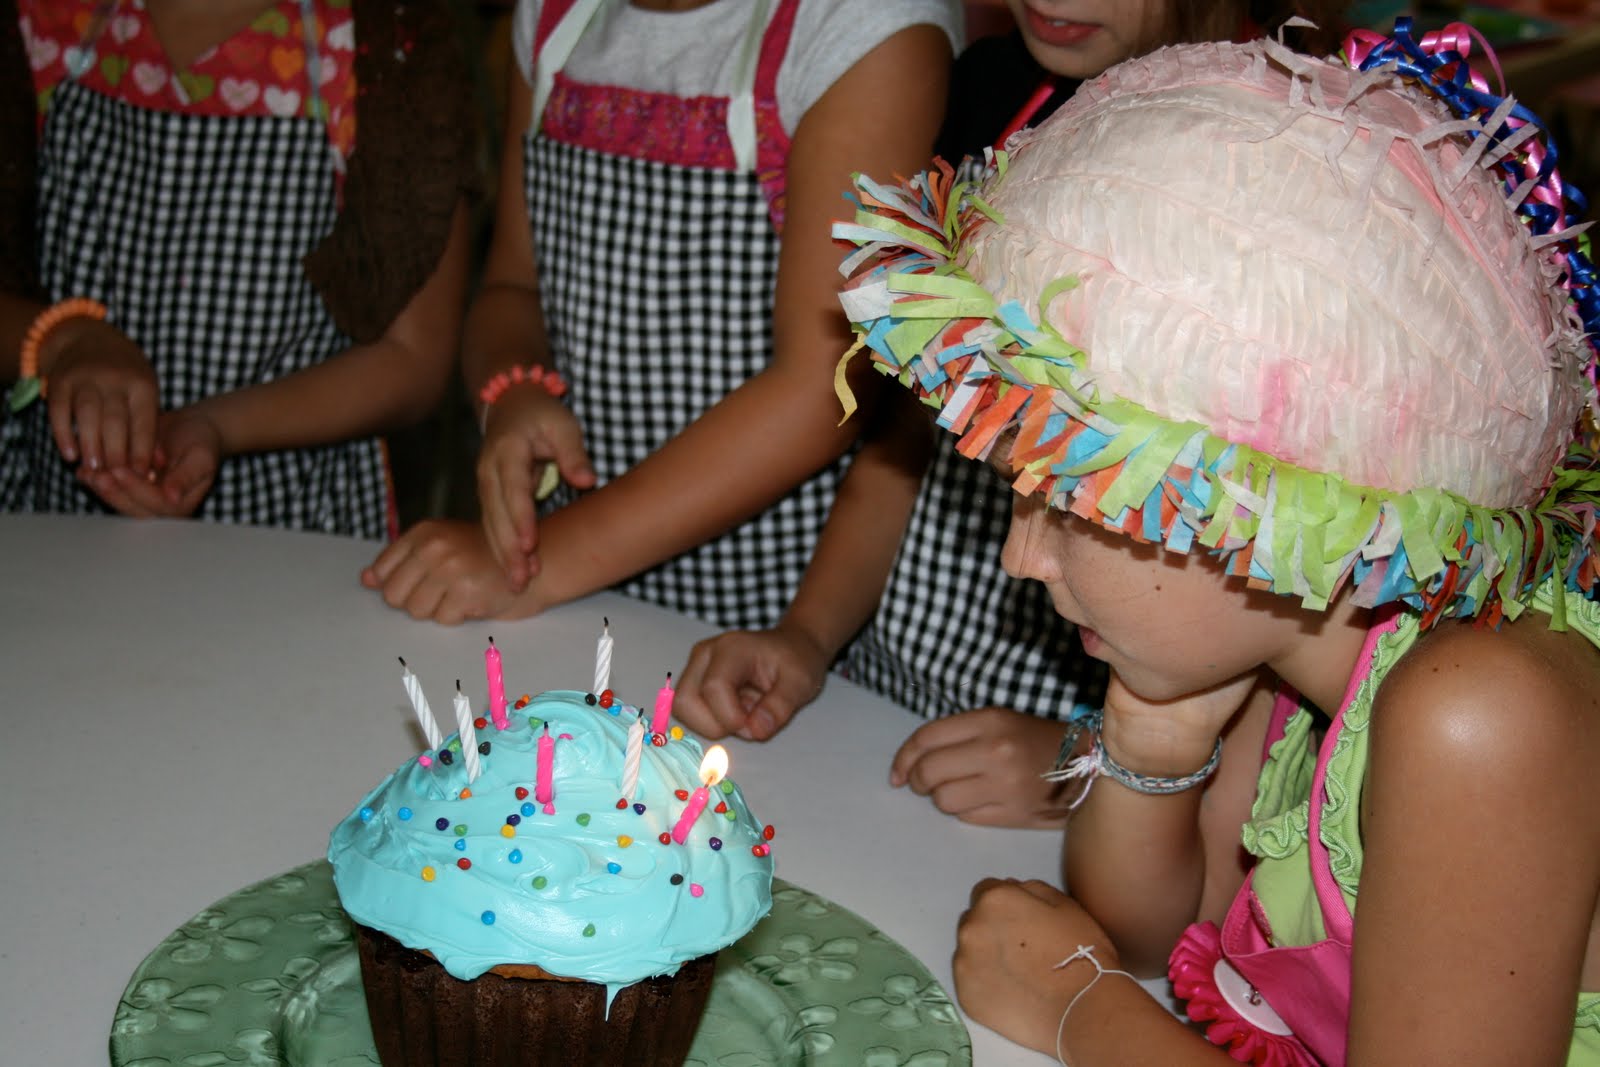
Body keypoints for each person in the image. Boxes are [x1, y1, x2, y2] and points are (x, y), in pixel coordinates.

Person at [833, 21, 1600, 1064]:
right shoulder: (1290, 632)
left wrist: (1080, 1010)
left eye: (1069, 500)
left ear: (1260, 501)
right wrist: (1154, 730)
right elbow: (1160, 924)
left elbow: (1118, 972)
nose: (1022, 557)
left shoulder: (1479, 713)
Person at [673, 0, 1347, 832]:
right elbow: (908, 434)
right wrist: (809, 635)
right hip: (888, 702)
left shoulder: (1290, 168)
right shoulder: (992, 92)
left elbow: (1271, 592)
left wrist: (1093, 756)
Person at [359, 0, 960, 626]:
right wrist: (513, 389)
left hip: (768, 606)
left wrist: (534, 570)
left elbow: (824, 389)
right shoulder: (552, 19)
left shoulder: (863, 26)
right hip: (566, 579)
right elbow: (513, 287)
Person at [0, 0, 476, 538]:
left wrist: (216, 427)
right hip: (52, 526)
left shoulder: (384, 46)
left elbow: (412, 358)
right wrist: (63, 340)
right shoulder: (39, 23)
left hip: (296, 531)